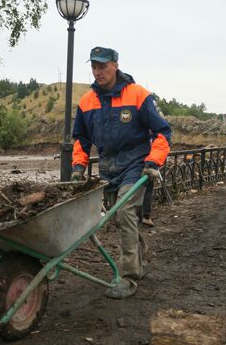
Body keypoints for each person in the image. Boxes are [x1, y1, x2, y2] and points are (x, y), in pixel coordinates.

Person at [71, 46, 172, 299]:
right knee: (120, 218)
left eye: (102, 66)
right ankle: (141, 256)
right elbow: (81, 140)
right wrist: (78, 167)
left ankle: (128, 277)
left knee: (125, 212)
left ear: (115, 65)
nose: (98, 71)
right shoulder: (87, 102)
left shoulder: (138, 95)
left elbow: (162, 132)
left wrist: (153, 163)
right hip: (109, 168)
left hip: (136, 164)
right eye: (94, 66)